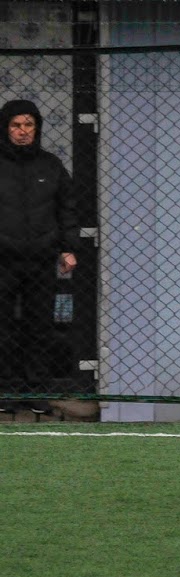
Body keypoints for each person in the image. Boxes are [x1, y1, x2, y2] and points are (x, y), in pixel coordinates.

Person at [0, 100, 79, 415]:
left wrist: (68, 247)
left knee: (39, 327)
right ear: (6, 128)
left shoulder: (51, 166)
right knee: (1, 327)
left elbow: (67, 209)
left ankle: (36, 393)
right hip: (2, 260)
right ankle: (5, 392)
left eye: (28, 125)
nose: (22, 132)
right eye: (16, 125)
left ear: (37, 128)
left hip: (41, 259)